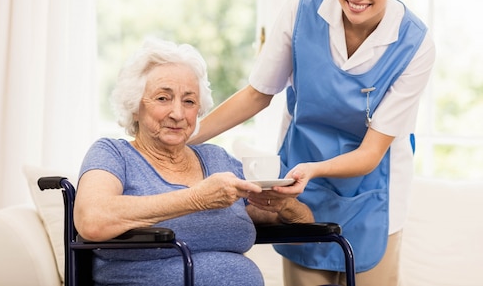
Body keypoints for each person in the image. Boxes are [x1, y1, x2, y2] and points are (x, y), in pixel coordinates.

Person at [190, 0, 436, 286]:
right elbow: (258, 94)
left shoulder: (414, 45)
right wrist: (184, 137)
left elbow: (370, 154)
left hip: (374, 190)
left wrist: (313, 170)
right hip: (300, 187)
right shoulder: (302, 11)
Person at [74, 38, 313, 286]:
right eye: (163, 98)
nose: (178, 114)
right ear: (135, 106)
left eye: (188, 102)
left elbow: (303, 230)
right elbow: (92, 220)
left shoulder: (217, 159)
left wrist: (285, 205)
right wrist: (197, 198)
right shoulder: (113, 153)